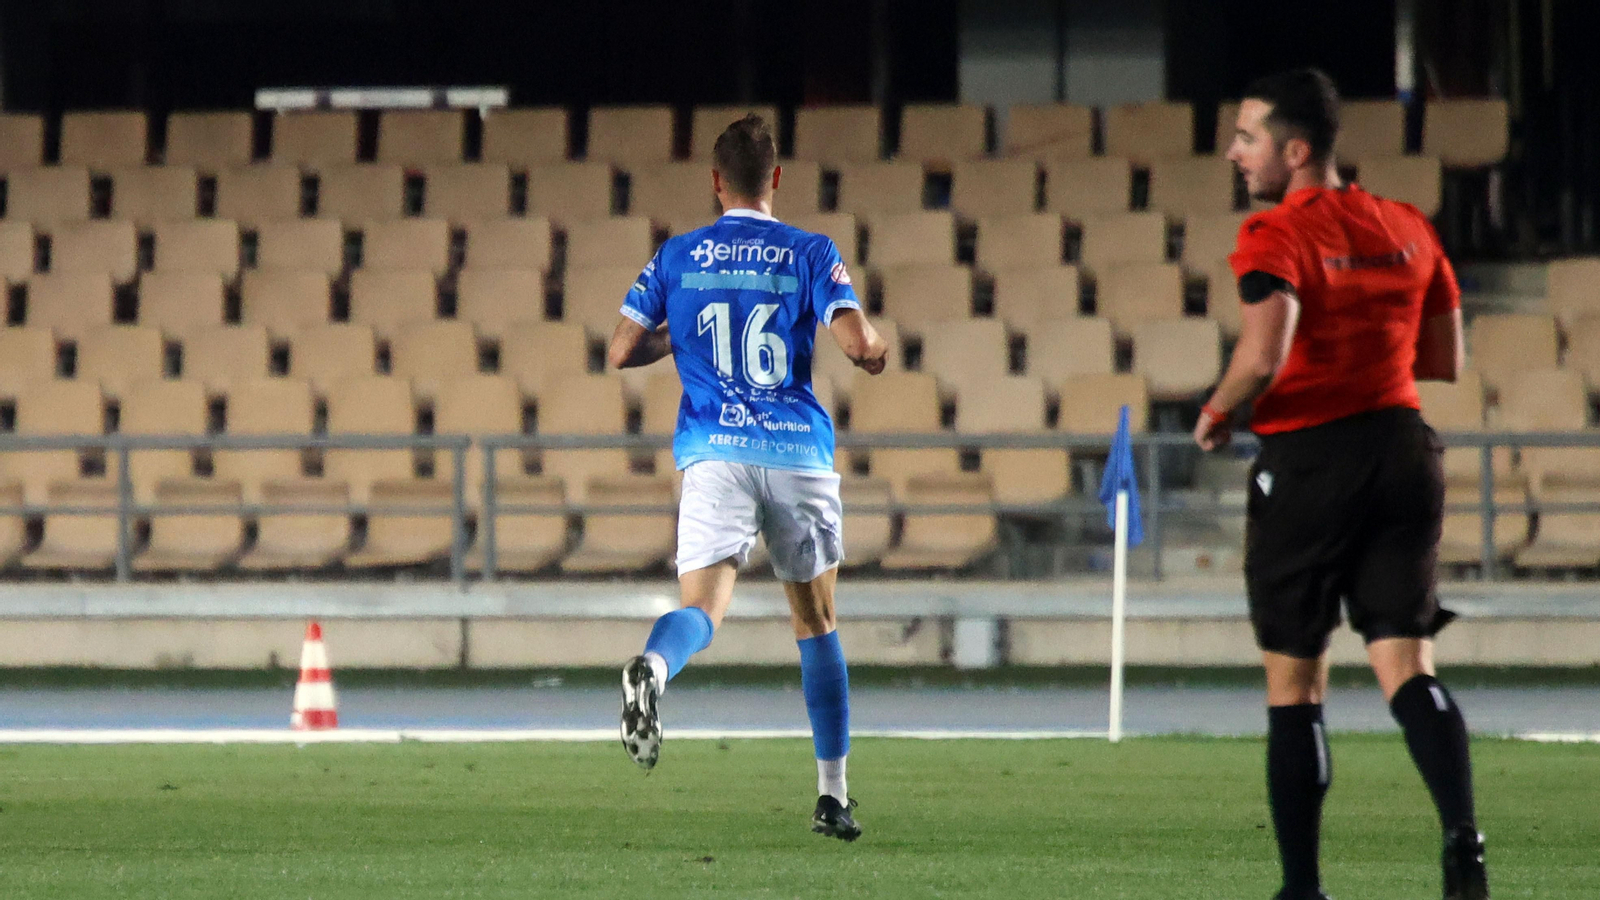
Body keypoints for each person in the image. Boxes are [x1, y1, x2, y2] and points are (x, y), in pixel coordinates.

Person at [1198, 69, 1489, 900]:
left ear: (1294, 152)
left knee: (1296, 682)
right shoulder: (1406, 225)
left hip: (1310, 463)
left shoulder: (1273, 234)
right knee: (1407, 664)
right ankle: (1463, 849)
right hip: (1403, 452)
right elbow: (1445, 361)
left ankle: (1302, 888)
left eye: (1247, 138)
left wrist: (1218, 410)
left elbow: (1265, 352)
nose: (1234, 152)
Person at [606, 114, 887, 842]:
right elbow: (856, 341)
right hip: (795, 452)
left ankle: (654, 668)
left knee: (703, 610)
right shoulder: (808, 250)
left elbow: (621, 348)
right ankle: (832, 796)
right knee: (816, 620)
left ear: (714, 180)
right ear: (777, 179)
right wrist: (875, 349)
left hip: (714, 454)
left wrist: (689, 329)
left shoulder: (676, 256)